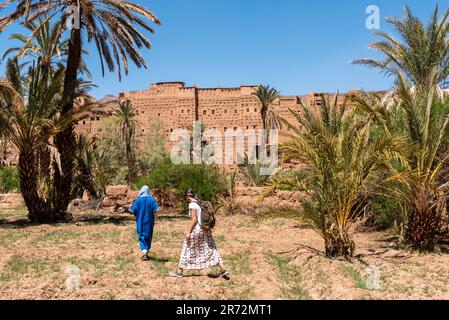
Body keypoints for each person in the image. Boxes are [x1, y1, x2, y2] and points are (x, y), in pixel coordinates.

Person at [170, 188, 228, 278]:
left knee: (187, 248)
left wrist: (188, 232)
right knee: (211, 248)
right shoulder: (200, 203)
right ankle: (223, 269)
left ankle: (179, 272)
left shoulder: (192, 205)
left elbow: (194, 220)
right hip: (205, 230)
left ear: (188, 196)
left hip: (197, 230)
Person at [130, 185, 159, 261]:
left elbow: (132, 210)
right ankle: (146, 251)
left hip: (140, 221)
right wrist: (156, 218)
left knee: (141, 235)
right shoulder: (151, 200)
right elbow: (156, 210)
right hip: (150, 221)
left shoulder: (138, 200)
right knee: (148, 235)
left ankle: (144, 252)